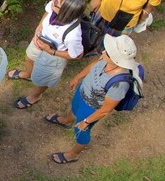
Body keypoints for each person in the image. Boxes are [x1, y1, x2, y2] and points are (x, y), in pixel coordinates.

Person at [44, 34, 143, 164]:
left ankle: (73, 154)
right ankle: (67, 120)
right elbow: (94, 65)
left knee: (81, 131)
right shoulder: (106, 59)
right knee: (74, 108)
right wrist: (78, 77)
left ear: (117, 60)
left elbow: (105, 110)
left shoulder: (119, 84)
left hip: (91, 108)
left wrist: (86, 121)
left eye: (108, 52)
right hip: (82, 93)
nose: (103, 52)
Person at [7, 0, 85, 109]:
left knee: (43, 79)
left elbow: (76, 55)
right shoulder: (55, 5)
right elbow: (47, 12)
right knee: (29, 57)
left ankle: (35, 96)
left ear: (65, 12)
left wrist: (50, 51)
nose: (52, 2)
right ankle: (28, 74)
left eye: (56, 3)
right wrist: (38, 29)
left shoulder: (73, 35)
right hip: (40, 42)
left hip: (53, 56)